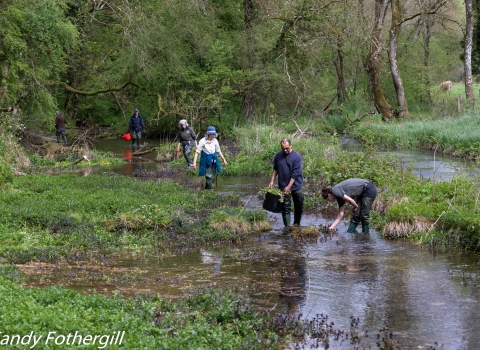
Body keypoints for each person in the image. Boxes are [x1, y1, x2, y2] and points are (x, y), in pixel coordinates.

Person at [268, 138, 304, 227]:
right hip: (283, 185)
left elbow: (295, 173)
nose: (285, 150)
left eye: (287, 148)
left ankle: (296, 225)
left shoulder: (297, 156)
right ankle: (287, 228)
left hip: (296, 186)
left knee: (298, 207)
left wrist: (289, 186)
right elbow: (275, 169)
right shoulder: (278, 155)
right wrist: (272, 181)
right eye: (283, 148)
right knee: (285, 208)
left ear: (291, 145)